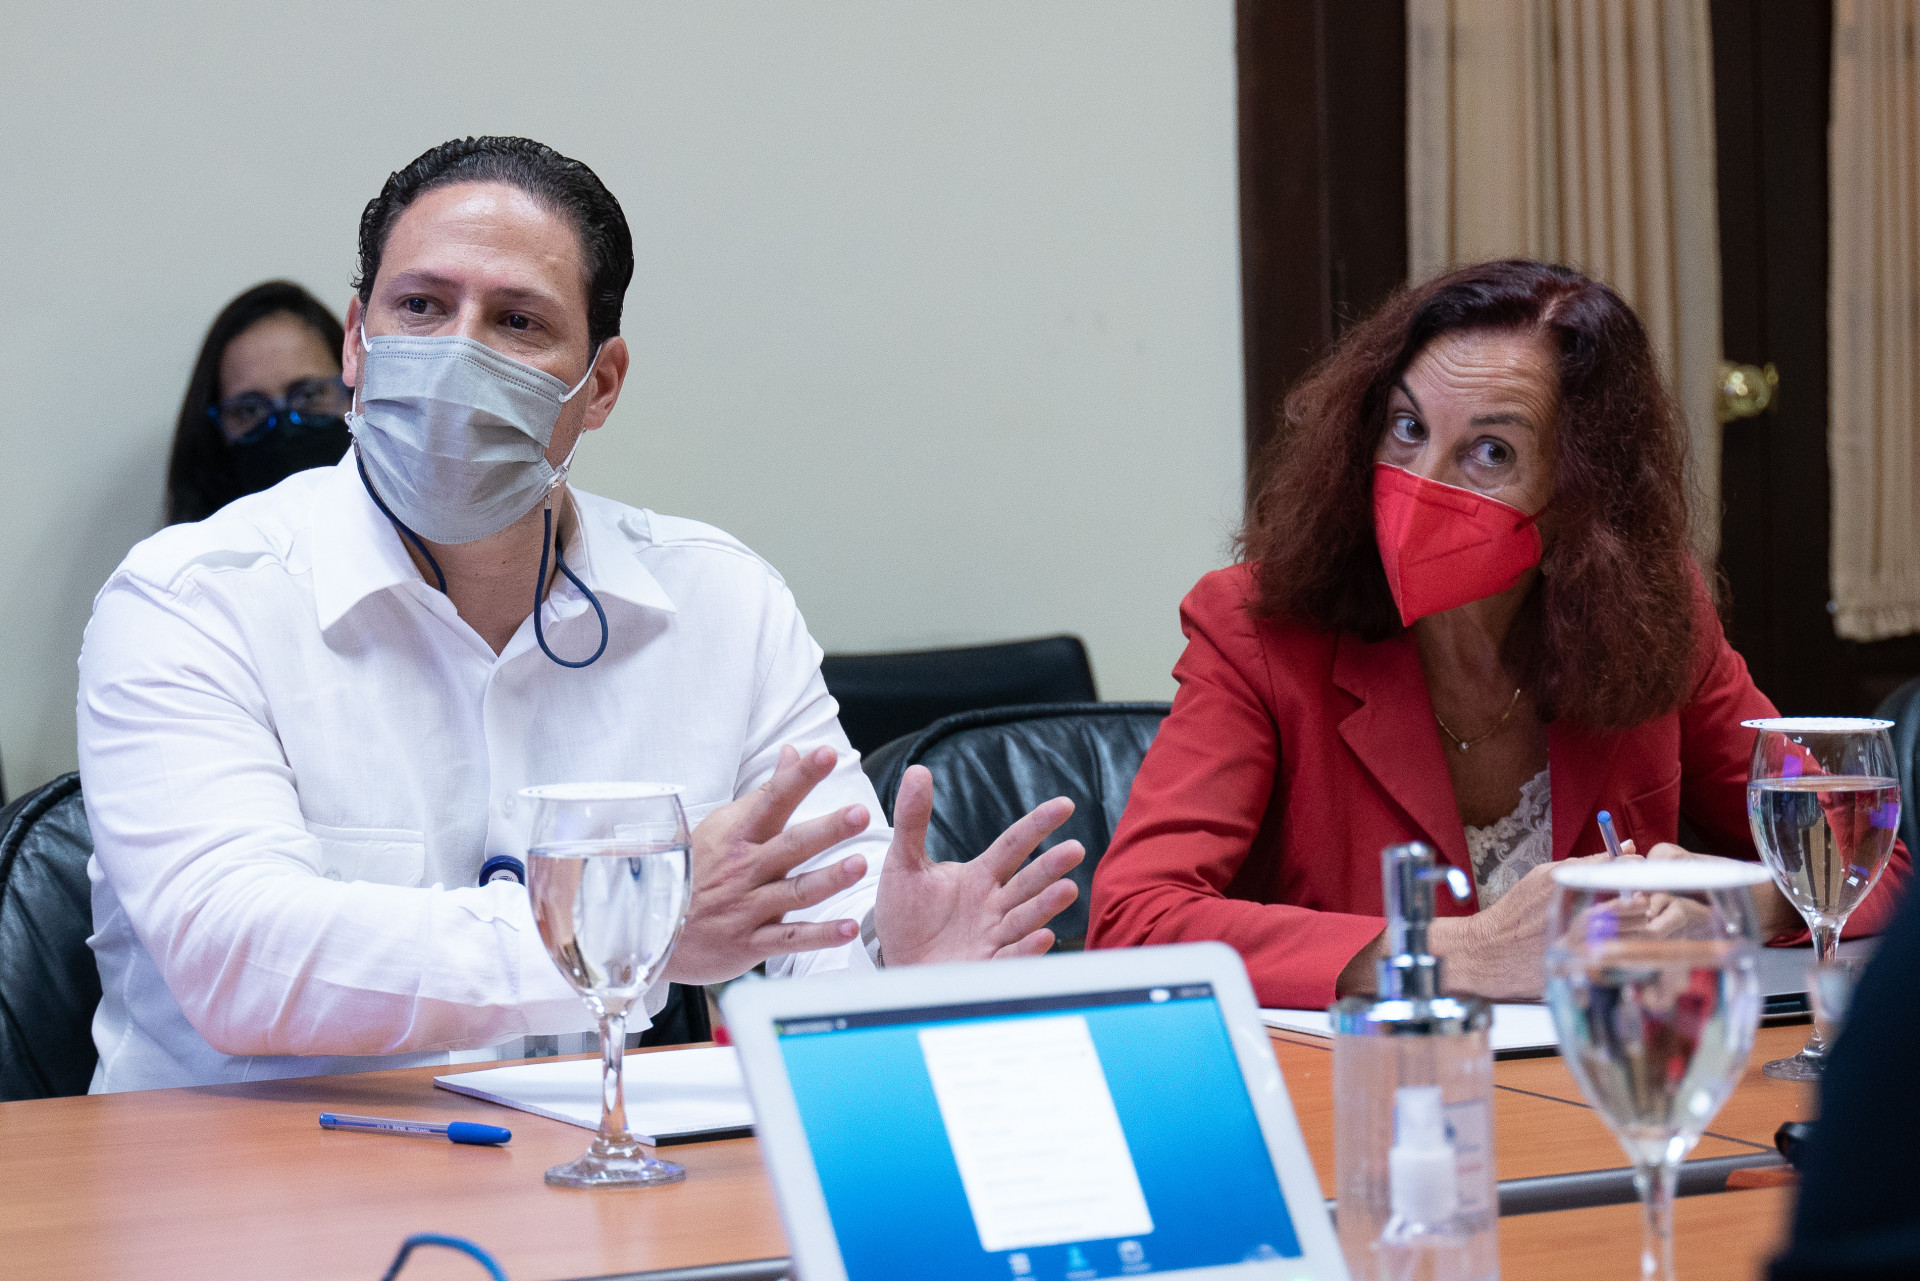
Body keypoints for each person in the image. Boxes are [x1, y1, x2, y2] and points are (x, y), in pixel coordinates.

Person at [79, 136, 1083, 1092]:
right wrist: (624, 923)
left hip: (592, 1177)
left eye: (518, 322)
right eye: (421, 306)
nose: (457, 354)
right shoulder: (191, 599)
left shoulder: (721, 606)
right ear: (356, 341)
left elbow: (821, 934)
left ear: (600, 385)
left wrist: (898, 969)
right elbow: (238, 958)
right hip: (248, 1187)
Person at [1087, 259, 1909, 1009]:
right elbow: (1133, 921)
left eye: (1490, 450)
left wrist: (1732, 905)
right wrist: (1464, 951)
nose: (1422, 483)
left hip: (1603, 1082)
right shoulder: (1257, 628)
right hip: (1357, 1092)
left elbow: (1867, 854)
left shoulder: (1656, 617)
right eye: (1408, 427)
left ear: (1582, 492)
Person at [165, 281, 353, 524]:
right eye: (250, 410)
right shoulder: (190, 548)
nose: (286, 427)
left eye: (309, 395)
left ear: (354, 392)